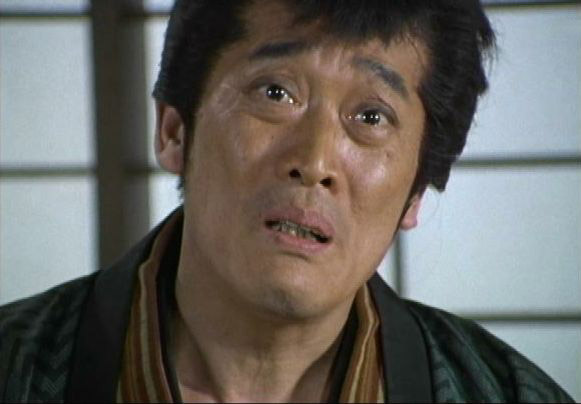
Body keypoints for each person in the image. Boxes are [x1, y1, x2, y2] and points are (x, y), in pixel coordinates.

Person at [0, 0, 574, 402]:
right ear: (174, 131)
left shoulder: (507, 393)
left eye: (371, 117)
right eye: (276, 92)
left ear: (416, 192)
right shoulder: (14, 368)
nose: (316, 161)